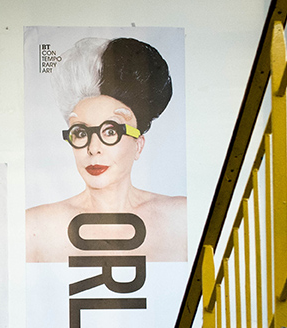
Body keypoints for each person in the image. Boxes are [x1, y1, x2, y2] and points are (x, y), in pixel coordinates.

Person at [26, 37, 186, 263]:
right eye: (81, 132)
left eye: (110, 131)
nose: (93, 149)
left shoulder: (179, 217)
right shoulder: (36, 225)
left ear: (138, 145)